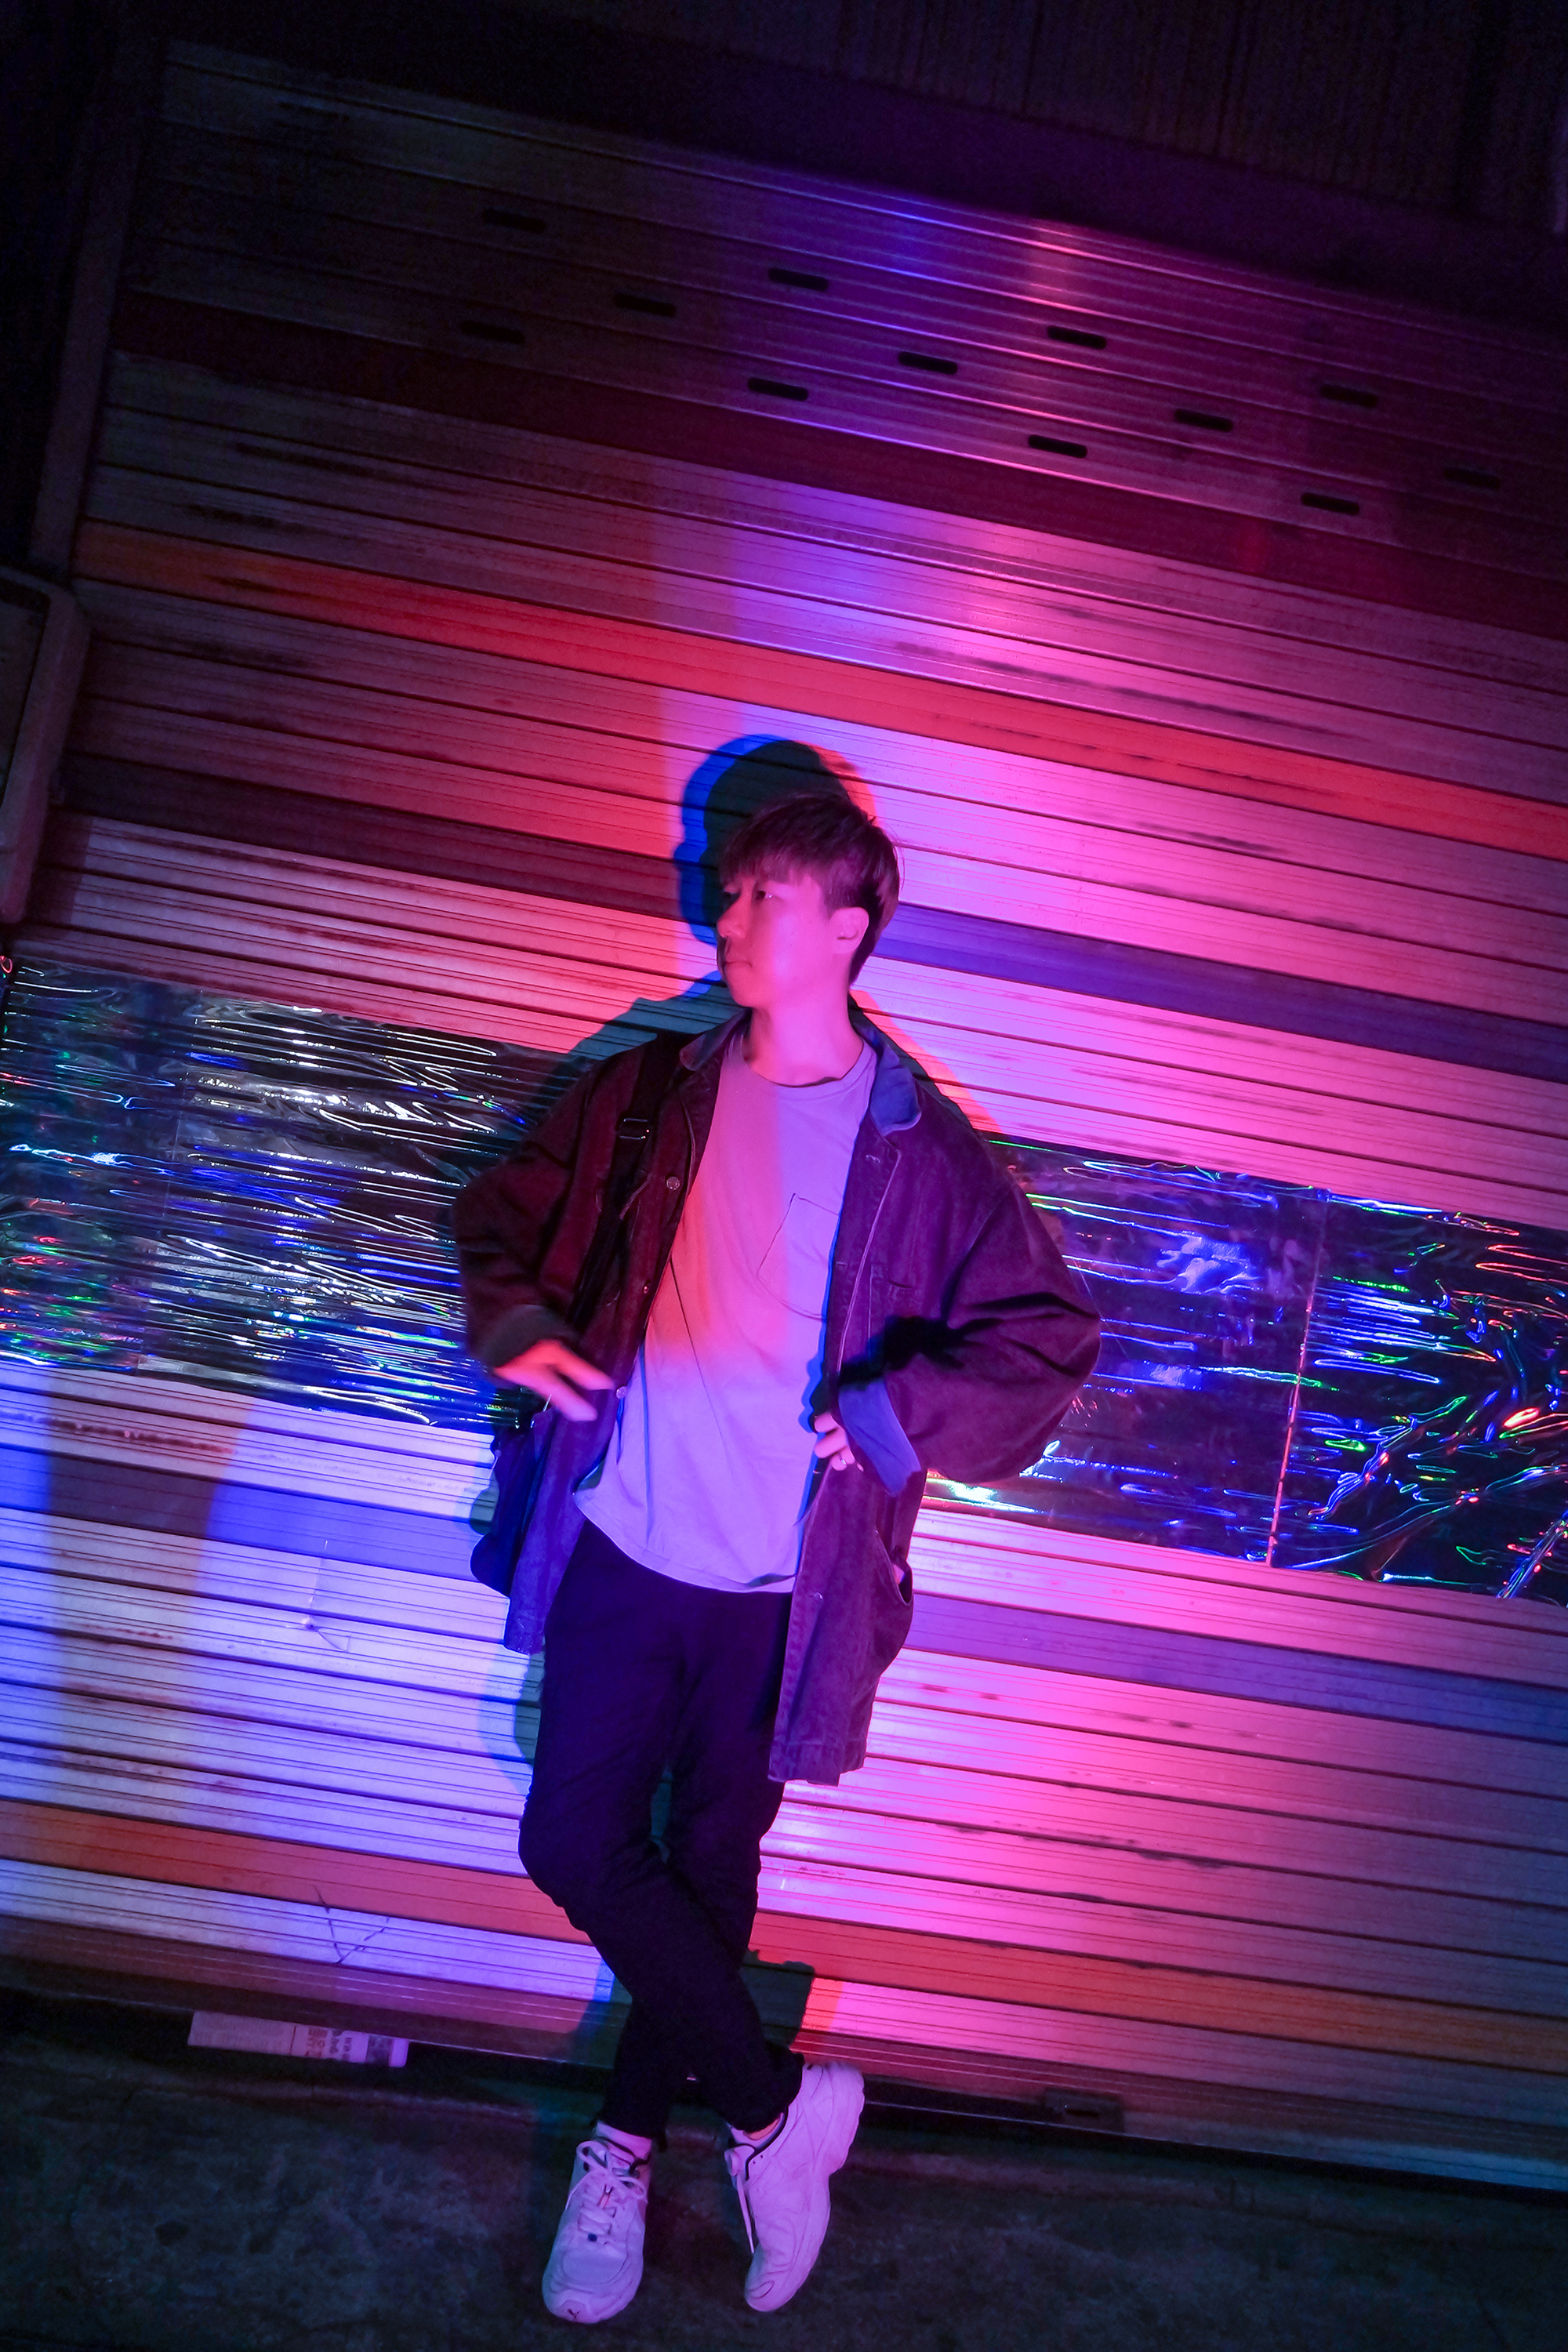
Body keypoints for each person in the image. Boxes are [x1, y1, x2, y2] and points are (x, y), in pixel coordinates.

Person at [453, 787, 1100, 2323]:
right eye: (727, 888)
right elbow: (500, 1216)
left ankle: (621, 2152)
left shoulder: (921, 1151)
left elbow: (1046, 1347)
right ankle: (772, 2113)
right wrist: (522, 1321)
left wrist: (890, 1414)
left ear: (847, 929)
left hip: (779, 1596)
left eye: (759, 897)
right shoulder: (650, 1092)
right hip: (624, 1544)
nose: (724, 916)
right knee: (574, 1840)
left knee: (708, 1869)